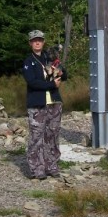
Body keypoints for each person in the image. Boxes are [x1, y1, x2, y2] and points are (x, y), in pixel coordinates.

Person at [22, 29, 67, 180]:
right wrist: (52, 85)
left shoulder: (50, 58)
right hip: (37, 104)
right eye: (34, 40)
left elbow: (64, 75)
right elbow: (32, 82)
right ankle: (37, 168)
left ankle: (51, 165)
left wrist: (60, 72)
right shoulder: (29, 62)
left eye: (40, 40)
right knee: (36, 136)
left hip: (54, 103)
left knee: (52, 135)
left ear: (43, 42)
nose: (37, 42)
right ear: (30, 43)